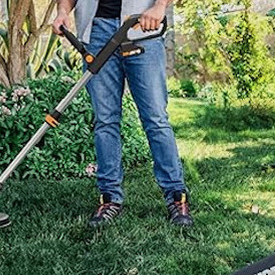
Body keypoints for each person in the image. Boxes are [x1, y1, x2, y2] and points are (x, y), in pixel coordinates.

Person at [52, 0, 193, 227]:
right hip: (96, 31)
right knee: (105, 121)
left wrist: (159, 8)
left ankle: (176, 197)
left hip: (141, 27)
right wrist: (62, 12)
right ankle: (109, 199)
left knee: (155, 119)